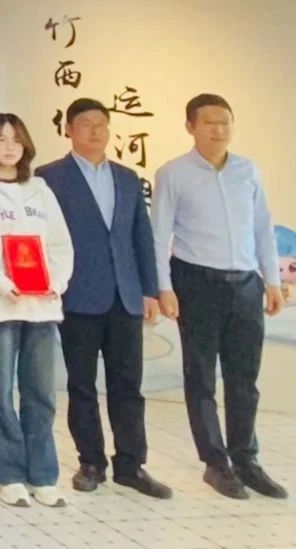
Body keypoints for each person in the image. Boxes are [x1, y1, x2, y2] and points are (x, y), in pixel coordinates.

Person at [152, 94, 287, 500]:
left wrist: (272, 280)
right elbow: (159, 235)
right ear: (190, 126)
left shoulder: (247, 170)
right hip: (197, 282)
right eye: (209, 122)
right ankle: (215, 462)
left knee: (244, 379)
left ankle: (246, 459)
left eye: (225, 121)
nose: (219, 129)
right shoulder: (173, 173)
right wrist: (163, 287)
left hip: (245, 284)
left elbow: (262, 227)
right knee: (201, 377)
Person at [36, 98, 171, 499]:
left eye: (101, 123)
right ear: (68, 130)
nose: (95, 130)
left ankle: (131, 464)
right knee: (81, 385)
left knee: (128, 385)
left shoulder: (127, 178)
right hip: (77, 295)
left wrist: (149, 290)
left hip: (125, 297)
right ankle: (91, 462)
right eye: (85, 123)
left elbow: (140, 237)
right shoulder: (48, 178)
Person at [0, 113, 73, 509]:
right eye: (0, 139)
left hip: (42, 306)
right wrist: (2, 282)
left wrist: (55, 282)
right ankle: (8, 475)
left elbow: (61, 246)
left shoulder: (40, 191)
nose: (9, 147)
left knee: (41, 393)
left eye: (16, 139)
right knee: (0, 393)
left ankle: (43, 475)